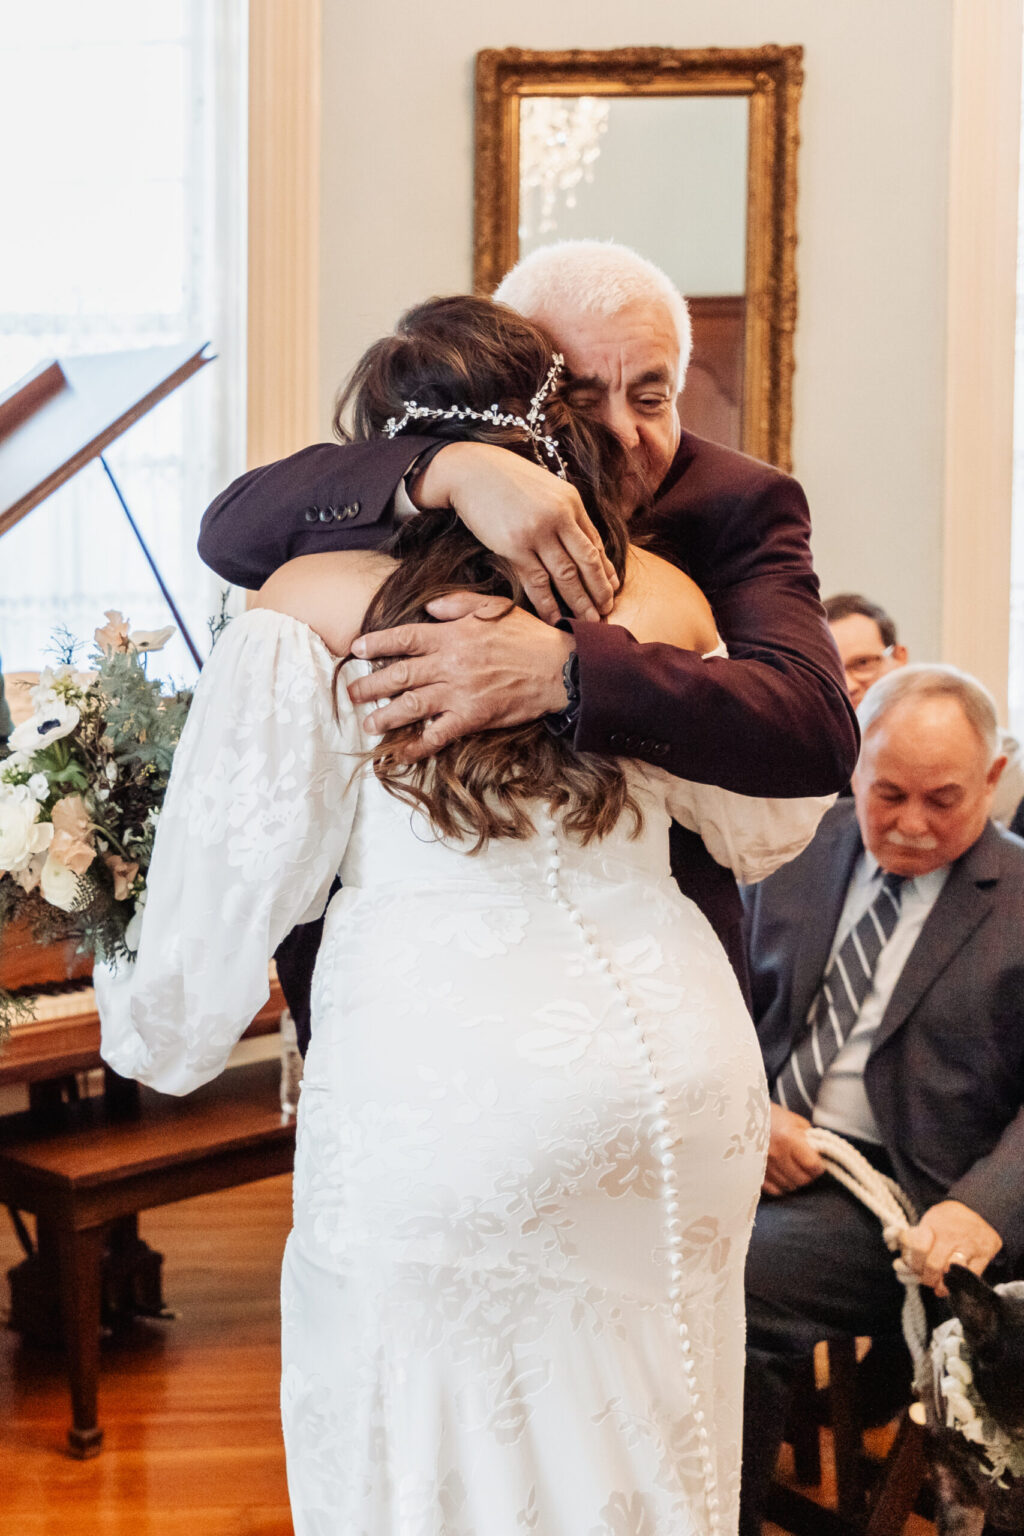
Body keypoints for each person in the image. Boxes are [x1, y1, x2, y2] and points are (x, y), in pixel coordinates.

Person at [99, 295, 834, 1536]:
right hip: (678, 1079)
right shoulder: (655, 591)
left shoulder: (308, 599)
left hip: (449, 1086)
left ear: (383, 440)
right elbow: (772, 829)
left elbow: (208, 944)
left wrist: (138, 1010)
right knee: (651, 1428)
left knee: (434, 1438)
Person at [199, 242, 857, 1044]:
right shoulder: (416, 473)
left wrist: (571, 673)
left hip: (642, 979)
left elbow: (813, 726)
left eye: (652, 398)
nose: (621, 434)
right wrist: (447, 471)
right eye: (583, 398)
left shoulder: (740, 503)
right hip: (405, 987)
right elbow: (230, 532)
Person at [738, 664, 1024, 1535]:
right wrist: (748, 1115)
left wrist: (983, 1207)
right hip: (763, 1151)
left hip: (915, 1193)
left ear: (994, 779)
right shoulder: (783, 851)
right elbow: (708, 1006)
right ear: (851, 768)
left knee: (723, 1281)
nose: (909, 825)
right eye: (887, 793)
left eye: (943, 800)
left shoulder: (1019, 899)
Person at [825, 590, 1024, 825]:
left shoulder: (993, 754)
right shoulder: (813, 764)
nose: (848, 685)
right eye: (831, 670)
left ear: (899, 657)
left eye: (863, 663)